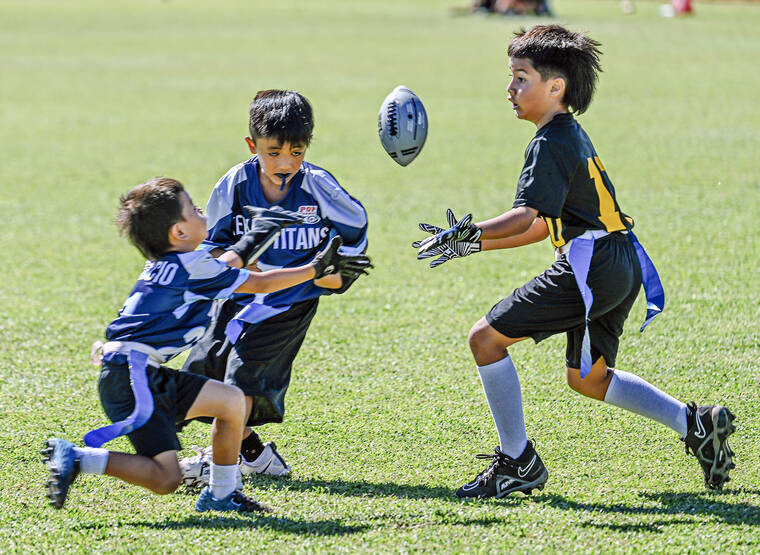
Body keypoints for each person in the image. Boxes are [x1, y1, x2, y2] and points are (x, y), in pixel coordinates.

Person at [412, 25, 735, 499]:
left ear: (555, 87)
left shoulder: (548, 142)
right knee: (588, 379)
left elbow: (525, 215)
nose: (510, 89)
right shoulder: (569, 135)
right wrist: (474, 244)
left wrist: (472, 230)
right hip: (619, 259)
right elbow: (542, 226)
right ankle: (694, 423)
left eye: (521, 78)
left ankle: (517, 463)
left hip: (593, 265)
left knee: (485, 340)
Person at [43, 177, 370, 513]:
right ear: (179, 233)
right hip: (134, 377)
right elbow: (261, 283)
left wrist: (259, 233)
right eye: (194, 210)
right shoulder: (193, 265)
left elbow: (226, 264)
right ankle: (80, 458)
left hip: (136, 372)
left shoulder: (173, 261)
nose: (202, 212)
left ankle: (221, 494)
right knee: (165, 479)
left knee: (231, 402)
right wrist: (316, 269)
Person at [179, 90, 369, 482]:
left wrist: (332, 274)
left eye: (296, 153)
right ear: (252, 146)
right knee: (197, 390)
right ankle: (255, 455)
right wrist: (231, 263)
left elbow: (355, 238)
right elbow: (214, 245)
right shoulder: (234, 183)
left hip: (287, 306)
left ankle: (219, 476)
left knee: (239, 387)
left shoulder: (318, 187)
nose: (285, 163)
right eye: (273, 152)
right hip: (238, 299)